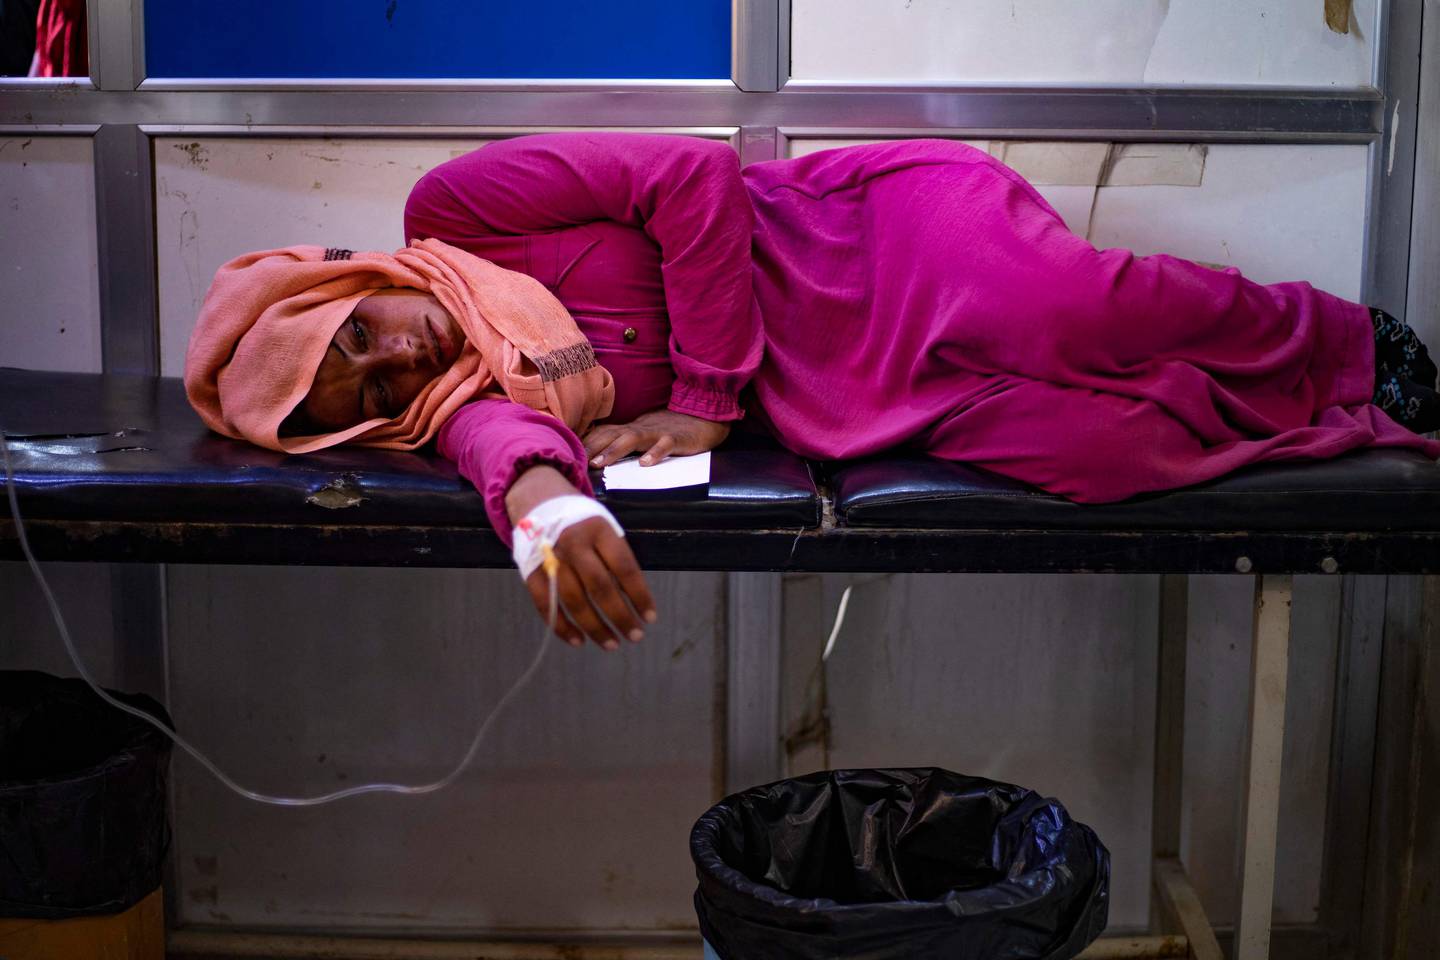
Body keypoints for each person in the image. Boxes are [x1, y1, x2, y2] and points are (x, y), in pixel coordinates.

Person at [185, 132, 1440, 651]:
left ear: (333, 280)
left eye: (350, 334)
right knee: (1096, 448)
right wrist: (549, 513)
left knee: (1072, 309)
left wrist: (712, 395)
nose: (389, 363)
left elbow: (687, 178)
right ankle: (1330, 424)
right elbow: (498, 441)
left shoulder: (449, 215)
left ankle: (1342, 347)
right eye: (347, 394)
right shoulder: (448, 399)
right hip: (844, 397)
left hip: (861, 245)